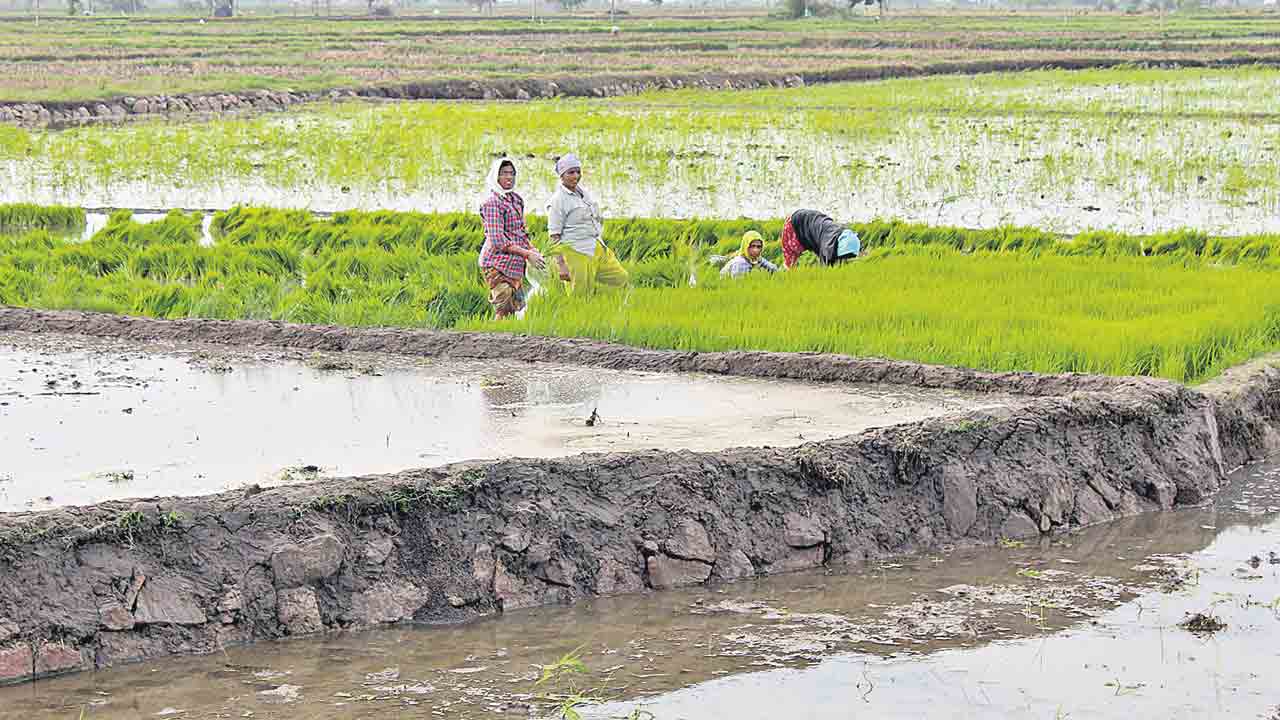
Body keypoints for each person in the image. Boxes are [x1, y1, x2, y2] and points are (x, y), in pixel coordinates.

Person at [545, 153, 629, 295]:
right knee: (579, 296)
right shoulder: (558, 200)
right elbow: (554, 236)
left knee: (621, 278)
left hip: (596, 246)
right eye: (571, 172)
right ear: (562, 175)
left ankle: (608, 302)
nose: (576, 176)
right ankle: (582, 314)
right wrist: (561, 265)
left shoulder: (583, 193)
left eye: (578, 172)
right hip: (576, 252)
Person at [478, 157, 544, 319]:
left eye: (512, 174)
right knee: (503, 308)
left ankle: (507, 340)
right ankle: (494, 340)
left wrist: (531, 247)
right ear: (496, 176)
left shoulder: (516, 200)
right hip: (497, 264)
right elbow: (498, 241)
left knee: (515, 308)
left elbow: (520, 232)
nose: (509, 177)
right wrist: (527, 254)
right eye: (504, 173)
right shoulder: (492, 203)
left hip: (514, 265)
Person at [780, 209, 861, 269]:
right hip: (797, 224)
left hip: (809, 221)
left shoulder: (839, 238)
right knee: (790, 264)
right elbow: (825, 269)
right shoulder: (828, 246)